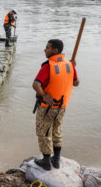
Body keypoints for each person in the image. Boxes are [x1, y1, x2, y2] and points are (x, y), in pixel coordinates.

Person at [32, 39, 80, 171]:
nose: (45, 49)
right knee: (57, 131)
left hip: (47, 107)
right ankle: (56, 160)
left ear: (55, 50)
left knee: (43, 132)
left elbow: (36, 85)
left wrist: (44, 95)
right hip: (61, 107)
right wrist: (73, 68)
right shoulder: (69, 65)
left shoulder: (48, 66)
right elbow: (76, 83)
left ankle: (46, 161)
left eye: (47, 47)